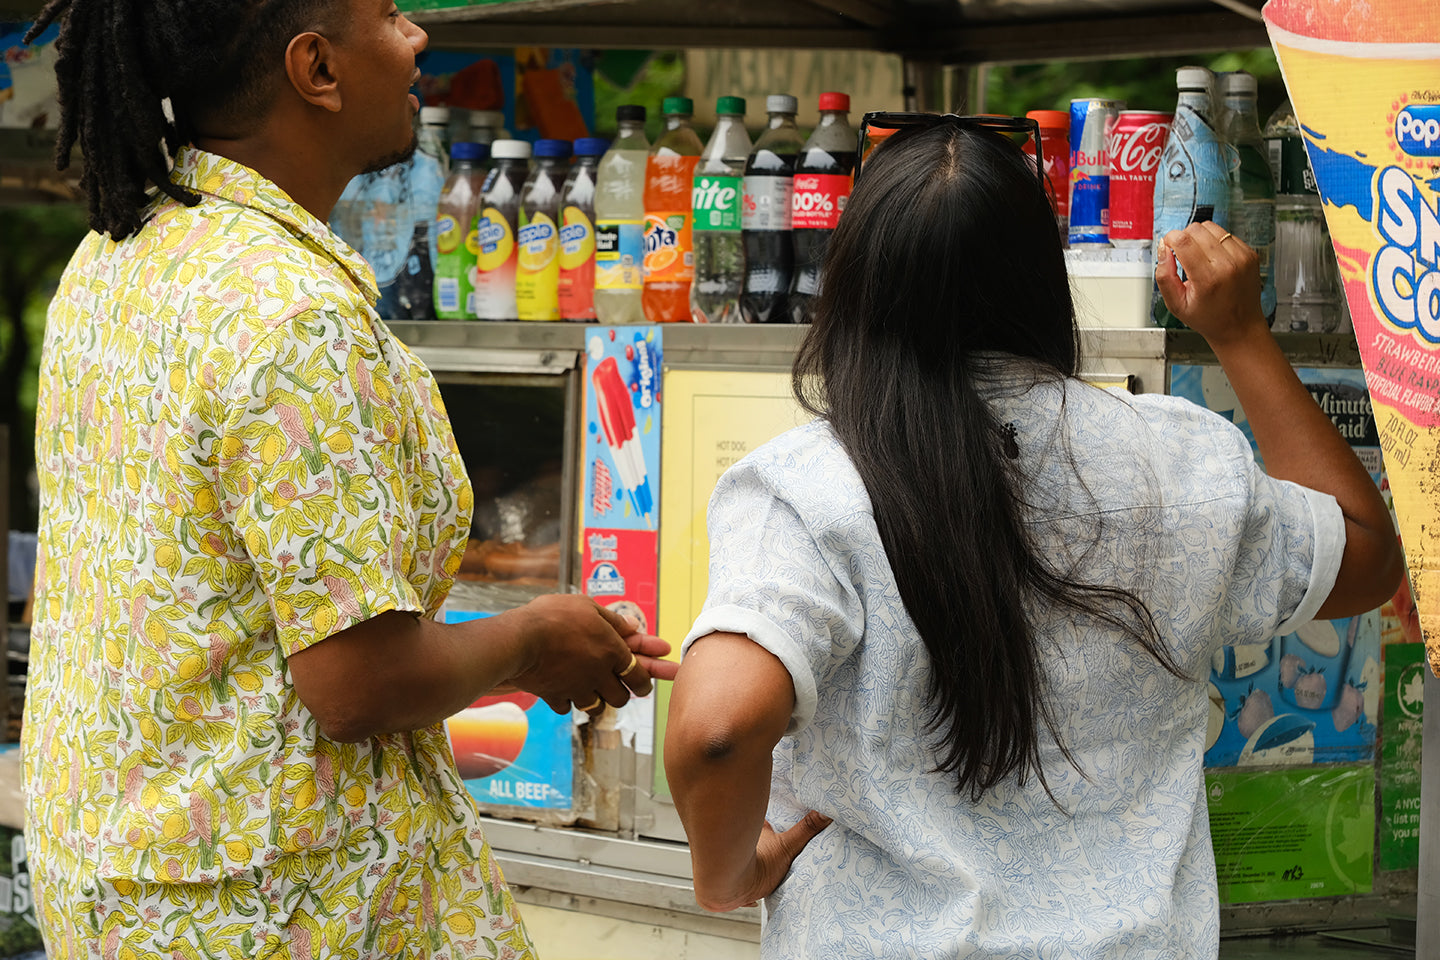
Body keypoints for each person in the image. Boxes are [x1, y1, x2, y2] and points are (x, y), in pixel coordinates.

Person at [23, 2, 676, 957]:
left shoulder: (116, 257)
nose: (417, 39)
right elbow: (355, 684)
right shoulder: (294, 318)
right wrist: (534, 632)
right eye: (389, 13)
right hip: (272, 908)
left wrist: (519, 654)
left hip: (125, 880)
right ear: (316, 70)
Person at [664, 115, 1402, 957]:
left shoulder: (807, 486)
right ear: (1041, 277)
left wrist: (727, 875)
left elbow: (715, 730)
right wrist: (1239, 335)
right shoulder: (1183, 457)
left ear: (856, 286)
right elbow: (1367, 554)